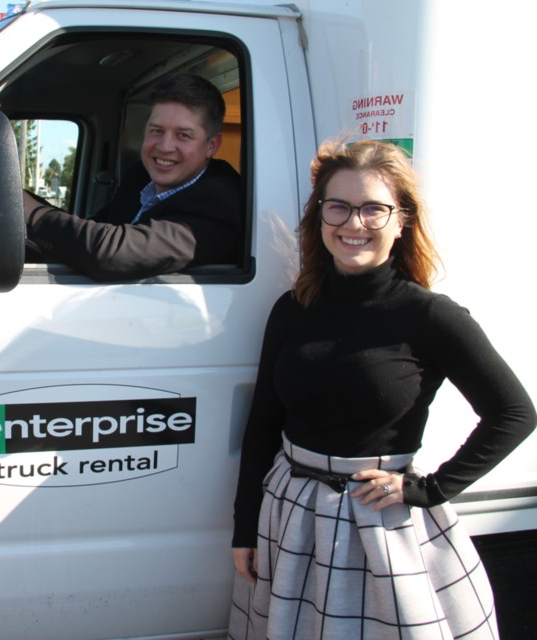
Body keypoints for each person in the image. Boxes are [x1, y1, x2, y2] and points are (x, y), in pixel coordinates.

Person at [228, 140, 535, 639]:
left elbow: (514, 413)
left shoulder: (429, 315)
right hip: (291, 513)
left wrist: (428, 490)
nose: (353, 224)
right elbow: (264, 422)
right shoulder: (293, 306)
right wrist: (245, 528)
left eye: (374, 209)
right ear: (320, 216)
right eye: (339, 207)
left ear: (401, 221)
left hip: (379, 524)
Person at [23, 74, 243, 281]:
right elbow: (89, 233)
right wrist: (15, 199)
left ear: (211, 145)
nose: (165, 147)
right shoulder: (140, 177)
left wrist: (31, 210)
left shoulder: (221, 202)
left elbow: (109, 254)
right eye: (156, 131)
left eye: (183, 135)